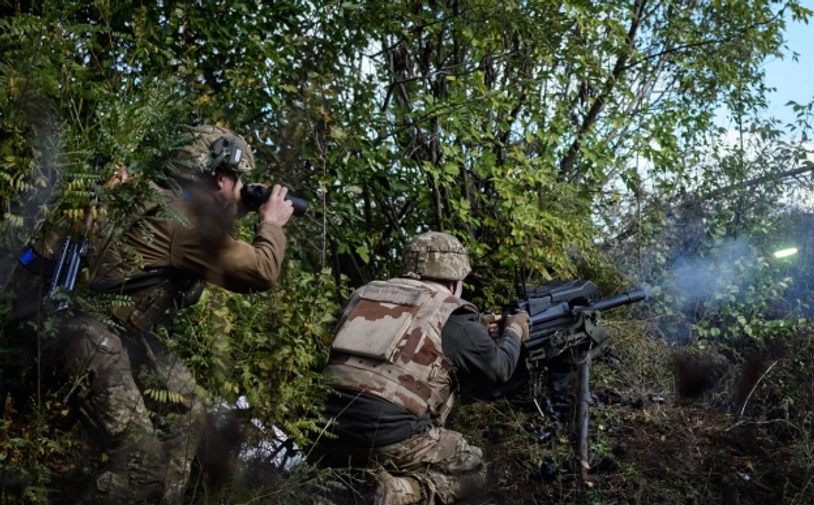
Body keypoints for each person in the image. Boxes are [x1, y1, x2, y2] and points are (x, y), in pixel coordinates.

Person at [12, 125, 295, 505]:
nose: (241, 187)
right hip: (86, 338)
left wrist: (235, 206)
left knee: (186, 410)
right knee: (142, 467)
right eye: (237, 178)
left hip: (91, 326)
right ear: (219, 176)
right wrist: (271, 224)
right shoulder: (187, 225)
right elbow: (261, 271)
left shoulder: (150, 196)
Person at [316, 231, 531, 505]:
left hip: (325, 427)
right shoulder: (451, 309)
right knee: (475, 466)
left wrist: (476, 325)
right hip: (388, 436)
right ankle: (398, 492)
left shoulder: (364, 293)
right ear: (454, 281)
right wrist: (514, 330)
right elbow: (500, 369)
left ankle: (340, 476)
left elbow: (408, 335)